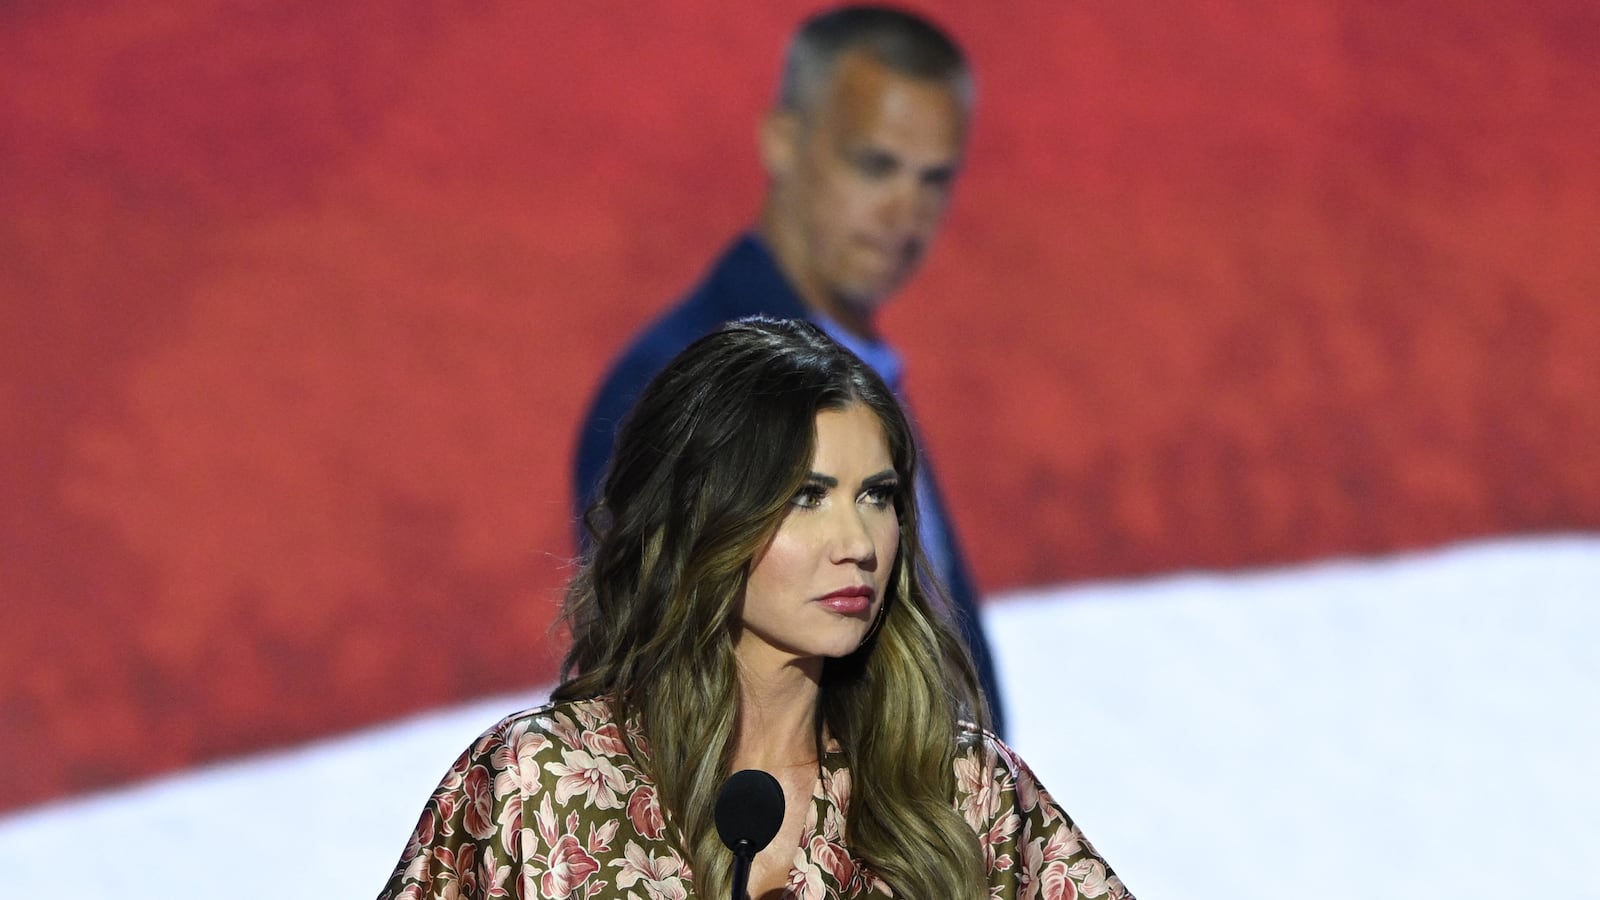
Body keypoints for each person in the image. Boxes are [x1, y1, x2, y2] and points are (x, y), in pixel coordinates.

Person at [381, 318, 1130, 900]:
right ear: (701, 516)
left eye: (877, 497)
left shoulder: (961, 789)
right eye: (806, 497)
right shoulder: (543, 784)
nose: (857, 543)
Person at [573, 3, 1007, 737]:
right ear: (783, 141)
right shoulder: (679, 379)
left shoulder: (858, 371)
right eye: (874, 164)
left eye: (934, 178)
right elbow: (661, 688)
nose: (907, 210)